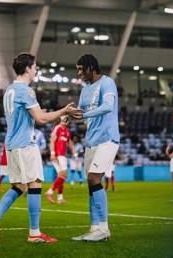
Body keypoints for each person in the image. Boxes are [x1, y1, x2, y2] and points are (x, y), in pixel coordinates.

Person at [0, 52, 82, 244]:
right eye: (35, 66)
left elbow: (31, 116)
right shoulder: (26, 91)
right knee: (35, 184)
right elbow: (41, 118)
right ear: (27, 68)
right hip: (25, 144)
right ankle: (34, 233)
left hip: (11, 144)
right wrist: (64, 111)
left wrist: (50, 117)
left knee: (19, 186)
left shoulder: (10, 90)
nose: (36, 70)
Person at [71, 54, 119, 242]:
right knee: (91, 185)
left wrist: (82, 117)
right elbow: (81, 113)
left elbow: (108, 106)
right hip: (91, 141)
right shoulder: (85, 90)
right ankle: (94, 228)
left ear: (91, 67)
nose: (79, 72)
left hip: (107, 139)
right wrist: (67, 119)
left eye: (82, 69)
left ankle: (104, 229)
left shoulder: (108, 83)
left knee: (93, 178)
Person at [45, 115, 78, 204]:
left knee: (61, 176)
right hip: (57, 155)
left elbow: (70, 144)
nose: (66, 121)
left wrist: (75, 155)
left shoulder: (67, 131)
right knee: (64, 175)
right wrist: (52, 154)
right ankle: (49, 192)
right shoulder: (57, 128)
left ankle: (60, 198)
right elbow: (52, 141)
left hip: (63, 155)